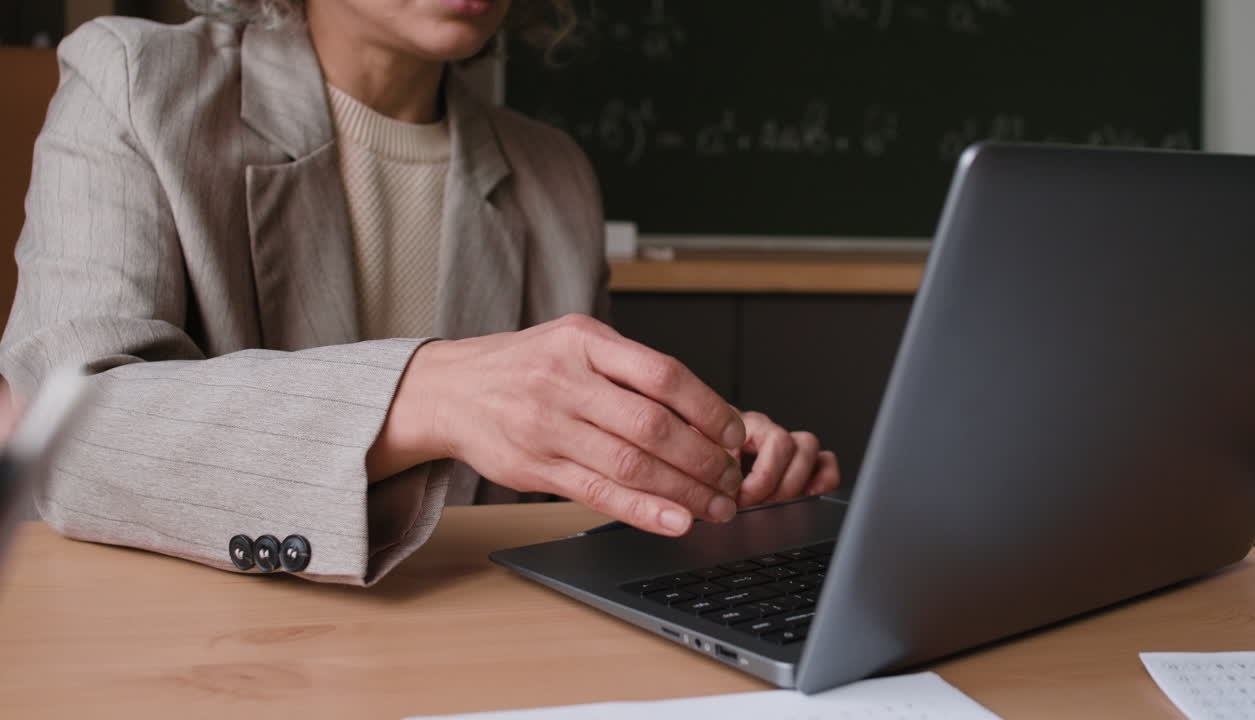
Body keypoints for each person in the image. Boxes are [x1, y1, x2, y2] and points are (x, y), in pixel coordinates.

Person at [0, 0, 840, 586]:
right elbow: (63, 434)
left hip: (467, 654)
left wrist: (688, 464)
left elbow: (552, 509)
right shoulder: (134, 82)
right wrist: (420, 391)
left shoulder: (554, 174)